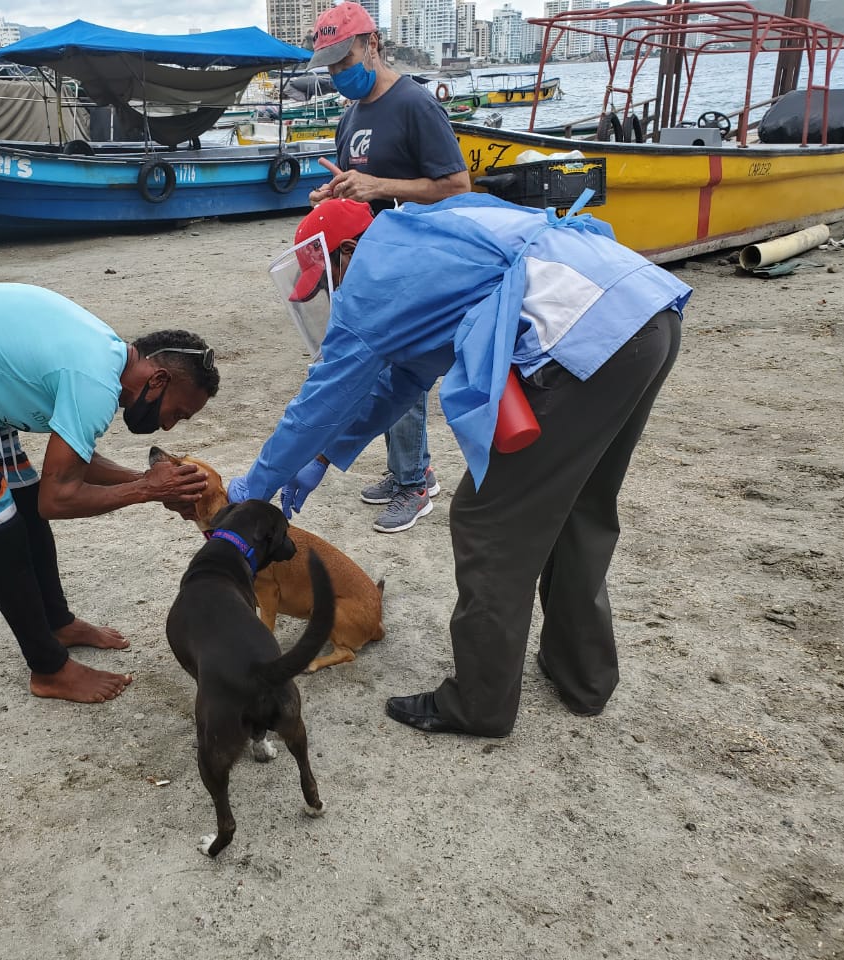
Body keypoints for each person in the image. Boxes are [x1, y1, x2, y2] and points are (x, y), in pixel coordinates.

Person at [226, 193, 691, 738]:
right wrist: (325, 455)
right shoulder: (423, 234)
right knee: (580, 506)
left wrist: (257, 483)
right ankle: (581, 674)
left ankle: (479, 703)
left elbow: (320, 398)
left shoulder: (376, 272)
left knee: (488, 520)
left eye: (332, 279)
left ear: (348, 250)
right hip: (643, 312)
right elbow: (403, 381)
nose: (336, 295)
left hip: (578, 335)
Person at [0, 283, 217, 704]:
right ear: (158, 378)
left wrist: (146, 482)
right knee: (2, 536)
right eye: (177, 412)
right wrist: (145, 488)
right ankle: (48, 670)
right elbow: (60, 498)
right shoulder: (94, 383)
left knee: (28, 509)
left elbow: (70, 468)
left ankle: (57, 623)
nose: (169, 427)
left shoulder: (105, 359)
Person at [305, 0, 471, 533]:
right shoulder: (352, 114)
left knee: (400, 371)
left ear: (371, 45)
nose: (337, 75)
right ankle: (406, 469)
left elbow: (456, 186)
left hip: (417, 261)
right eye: (328, 67)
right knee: (374, 370)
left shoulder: (415, 104)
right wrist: (332, 195)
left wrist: (380, 187)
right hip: (372, 261)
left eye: (343, 60)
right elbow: (359, 183)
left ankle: (414, 482)